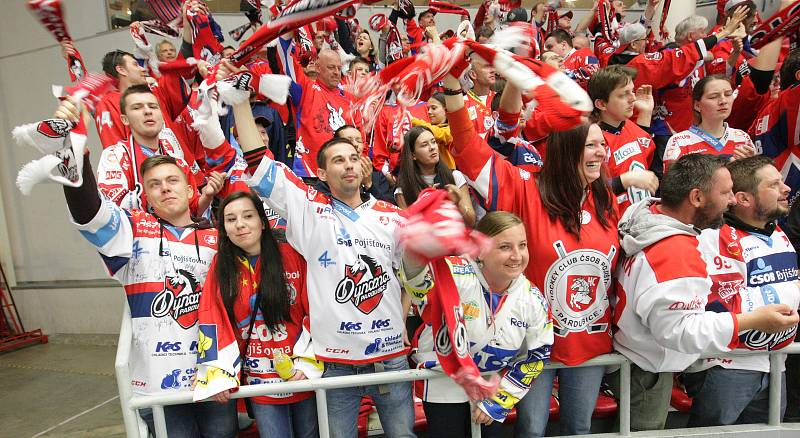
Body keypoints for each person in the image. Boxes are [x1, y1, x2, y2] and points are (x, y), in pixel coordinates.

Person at [441, 72, 621, 437]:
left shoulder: (605, 199)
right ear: (566, 148)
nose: (601, 153)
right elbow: (468, 149)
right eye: (591, 145)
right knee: (532, 430)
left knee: (578, 429)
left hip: (589, 344)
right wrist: (453, 90)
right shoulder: (526, 190)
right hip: (532, 348)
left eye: (602, 145)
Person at [234, 80, 416, 435]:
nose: (348, 166)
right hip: (335, 361)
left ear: (363, 168)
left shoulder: (393, 216)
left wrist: (403, 315)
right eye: (337, 160)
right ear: (321, 173)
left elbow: (413, 276)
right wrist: (240, 101)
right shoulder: (308, 211)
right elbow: (258, 161)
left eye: (353, 158)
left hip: (390, 357)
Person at [52, 93, 238, 436]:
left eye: (171, 181)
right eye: (154, 185)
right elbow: (89, 214)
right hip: (157, 386)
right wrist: (74, 149)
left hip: (214, 379)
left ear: (188, 186)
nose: (165, 189)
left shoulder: (220, 236)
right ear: (146, 196)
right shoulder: (133, 231)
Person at [612, 153, 800, 431]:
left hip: (650, 362)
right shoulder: (676, 248)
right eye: (725, 192)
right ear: (697, 197)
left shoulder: (650, 216)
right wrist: (754, 320)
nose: (732, 200)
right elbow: (680, 330)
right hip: (657, 367)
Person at [401, 211, 553, 437]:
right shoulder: (454, 272)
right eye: (504, 247)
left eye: (522, 245)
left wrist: (499, 401)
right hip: (443, 385)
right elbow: (420, 292)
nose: (517, 255)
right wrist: (415, 252)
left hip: (491, 391)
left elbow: (536, 355)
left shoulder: (533, 299)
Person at [196, 190, 321, 438]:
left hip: (303, 375)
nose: (240, 224)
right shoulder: (221, 264)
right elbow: (212, 317)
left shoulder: (293, 254)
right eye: (231, 220)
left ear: (262, 222)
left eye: (248, 216)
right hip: (260, 382)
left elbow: (317, 309)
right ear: (224, 229)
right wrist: (216, 373)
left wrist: (309, 363)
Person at [688, 156, 799, 427]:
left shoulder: (778, 234)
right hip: (728, 366)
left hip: (775, 364)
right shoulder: (712, 236)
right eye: (774, 185)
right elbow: (710, 304)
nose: (786, 189)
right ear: (744, 199)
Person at [96, 84, 236, 215]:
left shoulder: (176, 157)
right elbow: (113, 211)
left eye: (153, 106)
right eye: (137, 108)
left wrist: (207, 195)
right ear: (125, 119)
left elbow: (192, 210)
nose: (147, 111)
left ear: (162, 116)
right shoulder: (115, 156)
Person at [277, 35, 353, 179]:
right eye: (331, 67)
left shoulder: (349, 99)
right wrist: (288, 30)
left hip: (343, 174)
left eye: (339, 68)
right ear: (317, 68)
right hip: (309, 173)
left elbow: (359, 138)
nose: (337, 72)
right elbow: (284, 57)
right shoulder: (306, 90)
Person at [588, 65, 659, 211]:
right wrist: (625, 180)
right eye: (623, 94)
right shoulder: (591, 140)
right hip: (613, 225)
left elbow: (644, 156)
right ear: (601, 104)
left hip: (642, 219)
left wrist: (645, 113)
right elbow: (587, 191)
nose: (633, 98)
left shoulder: (629, 126)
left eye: (632, 91)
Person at [663, 75, 756, 172]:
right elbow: (672, 184)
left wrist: (752, 165)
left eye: (728, 94)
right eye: (713, 97)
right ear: (697, 105)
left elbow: (753, 183)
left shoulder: (742, 137)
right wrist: (729, 165)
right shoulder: (679, 142)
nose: (723, 101)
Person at [395, 126, 475, 226]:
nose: (432, 147)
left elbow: (471, 222)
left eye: (433, 142)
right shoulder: (403, 188)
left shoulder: (455, 176)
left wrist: (458, 203)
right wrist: (427, 205)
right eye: (424, 145)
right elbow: (407, 230)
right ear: (413, 155)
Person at [333, 124, 396, 204]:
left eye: (359, 141)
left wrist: (369, 185)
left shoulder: (378, 177)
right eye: (349, 140)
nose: (355, 144)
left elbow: (390, 210)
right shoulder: (331, 175)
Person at [411, 93, 455, 169]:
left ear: (446, 110)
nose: (429, 112)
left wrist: (413, 120)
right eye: (428, 109)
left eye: (433, 108)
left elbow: (439, 134)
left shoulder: (453, 130)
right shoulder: (429, 127)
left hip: (447, 175)